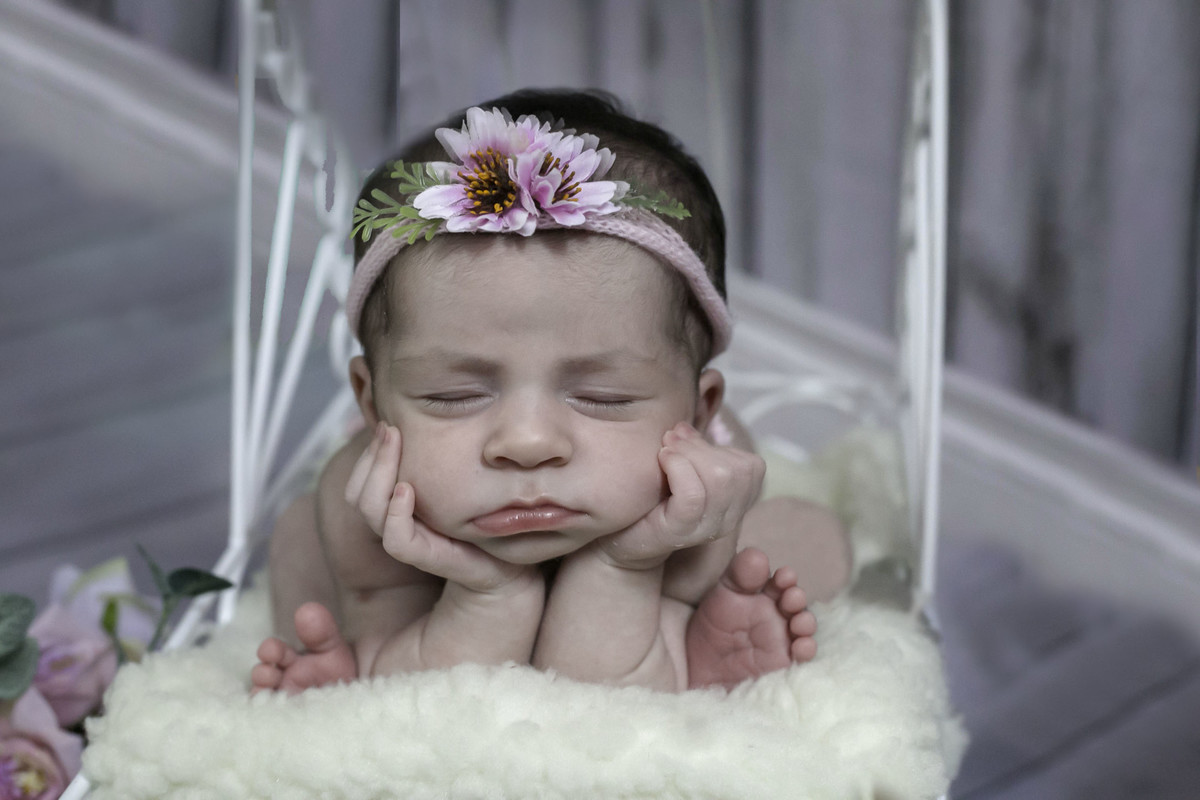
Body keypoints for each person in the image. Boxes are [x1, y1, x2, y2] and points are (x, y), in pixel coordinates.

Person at [251, 89, 850, 695]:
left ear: (700, 409)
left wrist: (626, 562)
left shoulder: (703, 491)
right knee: (301, 537)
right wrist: (483, 592)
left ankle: (685, 636)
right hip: (420, 587)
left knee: (807, 538)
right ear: (372, 400)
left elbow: (606, 700)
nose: (528, 443)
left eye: (604, 397)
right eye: (453, 396)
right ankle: (358, 652)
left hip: (669, 553)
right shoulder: (367, 513)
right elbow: (424, 701)